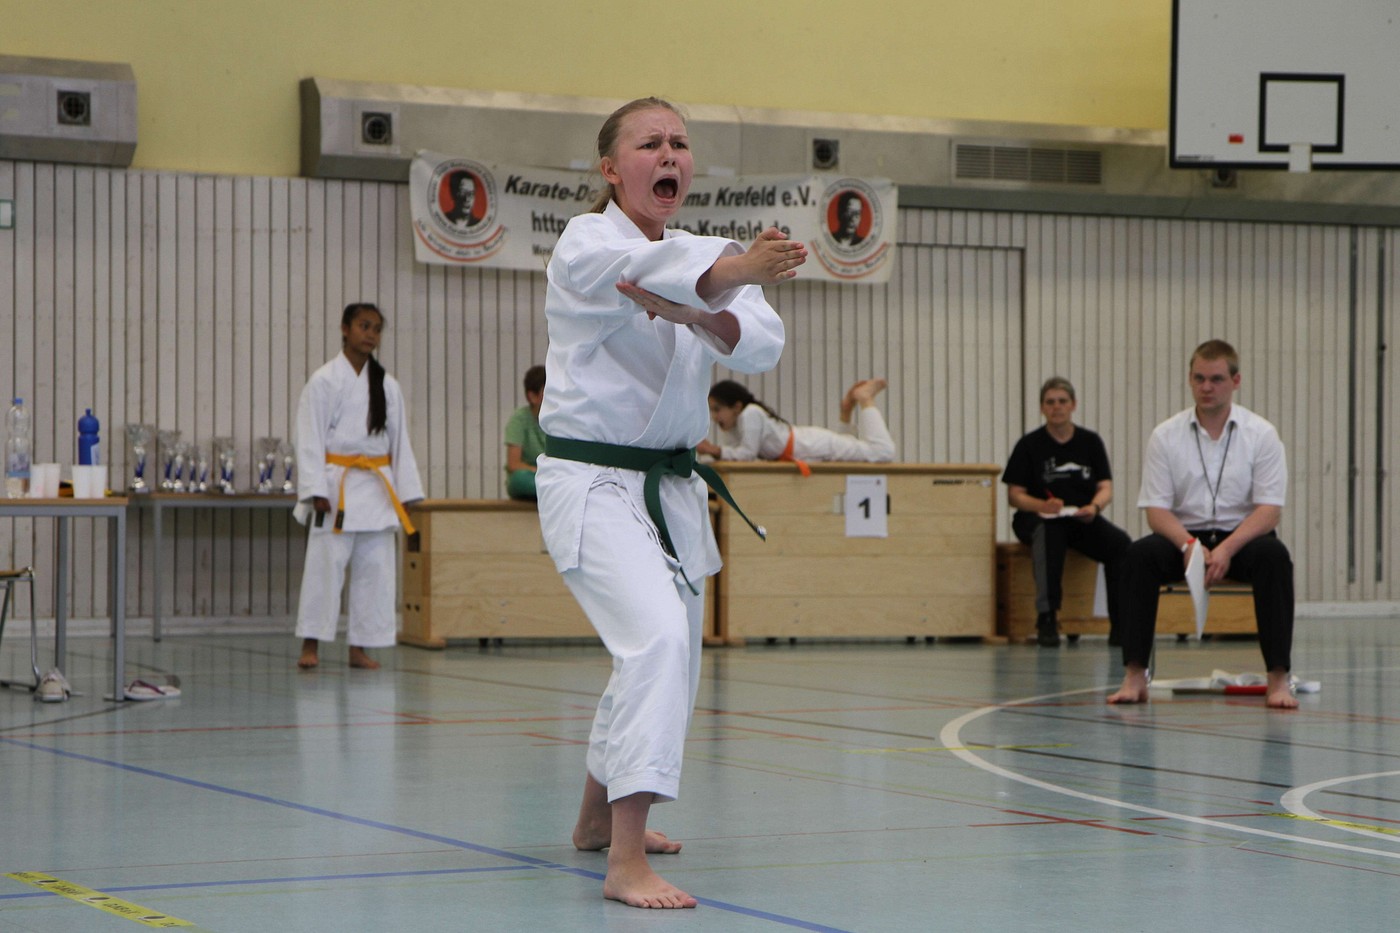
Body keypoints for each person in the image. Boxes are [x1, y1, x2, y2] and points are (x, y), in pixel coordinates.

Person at [535, 97, 805, 909]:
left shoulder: (698, 251)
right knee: (654, 639)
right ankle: (625, 860)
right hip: (593, 481)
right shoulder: (586, 243)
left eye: (680, 143)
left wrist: (703, 305)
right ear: (611, 168)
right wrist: (732, 275)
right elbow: (655, 273)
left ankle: (594, 818)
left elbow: (762, 343)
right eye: (650, 142)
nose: (670, 154)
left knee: (667, 654)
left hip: (671, 487)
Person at [1108, 339, 1296, 708]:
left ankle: (1278, 679)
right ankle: (1134, 675)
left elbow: (1269, 510)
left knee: (1274, 557)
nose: (1206, 387)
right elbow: (1156, 510)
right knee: (1138, 556)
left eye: (1216, 379)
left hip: (1242, 538)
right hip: (1184, 536)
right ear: (1190, 380)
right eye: (1199, 379)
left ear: (1235, 381)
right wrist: (1189, 545)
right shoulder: (1166, 435)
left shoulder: (1261, 434)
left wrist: (1227, 548)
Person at [292, 302, 424, 671]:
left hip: (378, 490)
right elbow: (309, 437)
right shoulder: (324, 381)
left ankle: (360, 647)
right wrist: (316, 488)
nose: (370, 334)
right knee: (323, 569)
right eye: (364, 326)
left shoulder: (387, 385)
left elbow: (400, 441)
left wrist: (406, 493)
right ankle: (311, 644)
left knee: (375, 572)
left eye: (377, 329)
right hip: (336, 487)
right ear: (345, 328)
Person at [1002, 377, 1130, 647]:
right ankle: (1047, 617)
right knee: (1050, 535)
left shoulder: (1090, 442)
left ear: (1073, 405)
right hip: (1038, 518)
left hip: (1079, 517)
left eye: (1062, 401)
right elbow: (1014, 495)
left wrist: (1094, 507)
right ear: (1042, 408)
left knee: (1120, 544)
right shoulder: (1029, 445)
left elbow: (1105, 487)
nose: (1056, 407)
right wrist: (1041, 506)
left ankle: (1120, 623)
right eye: (1050, 402)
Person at [696, 378, 895, 470]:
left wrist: (714, 450)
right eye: (711, 410)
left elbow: (746, 454)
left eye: (717, 409)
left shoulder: (751, 414)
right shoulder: (735, 425)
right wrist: (715, 452)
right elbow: (735, 457)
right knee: (850, 449)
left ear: (737, 407)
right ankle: (846, 409)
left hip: (813, 445)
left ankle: (865, 399)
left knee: (882, 452)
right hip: (809, 447)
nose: (714, 416)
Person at [504, 364, 546, 500]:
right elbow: (514, 464)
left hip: (551, 476)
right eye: (546, 392)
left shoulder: (559, 421)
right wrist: (541, 473)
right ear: (533, 397)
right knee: (520, 479)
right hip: (531, 476)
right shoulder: (520, 419)